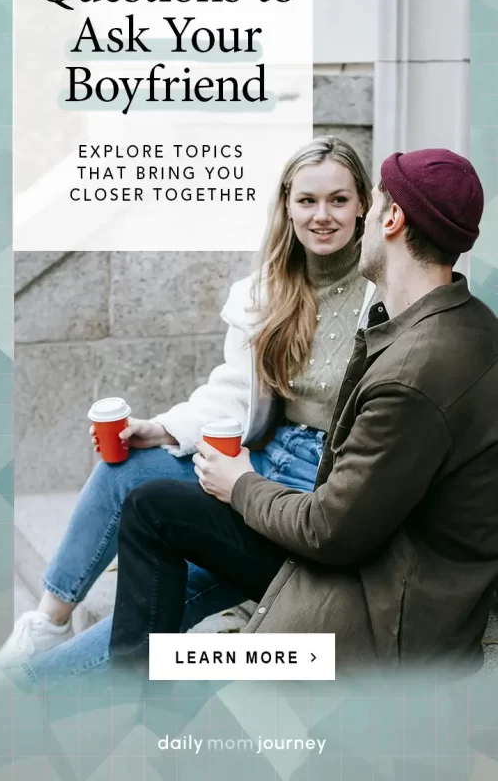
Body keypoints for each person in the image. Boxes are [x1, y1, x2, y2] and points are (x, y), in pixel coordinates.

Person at [0, 135, 374, 677]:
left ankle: (24, 689)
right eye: (307, 201)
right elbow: (237, 392)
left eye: (338, 199)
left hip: (319, 484)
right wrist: (165, 429)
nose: (322, 216)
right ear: (286, 204)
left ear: (363, 204)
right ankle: (46, 623)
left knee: (186, 578)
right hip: (265, 453)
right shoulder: (269, 289)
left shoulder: (381, 293)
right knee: (124, 464)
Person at [104, 148, 498, 673]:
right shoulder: (464, 322)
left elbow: (328, 532)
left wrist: (240, 483)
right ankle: (133, 693)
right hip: (384, 562)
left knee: (181, 665)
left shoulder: (414, 373)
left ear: (392, 217)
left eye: (368, 199)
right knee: (151, 505)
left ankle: (136, 701)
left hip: (378, 610)